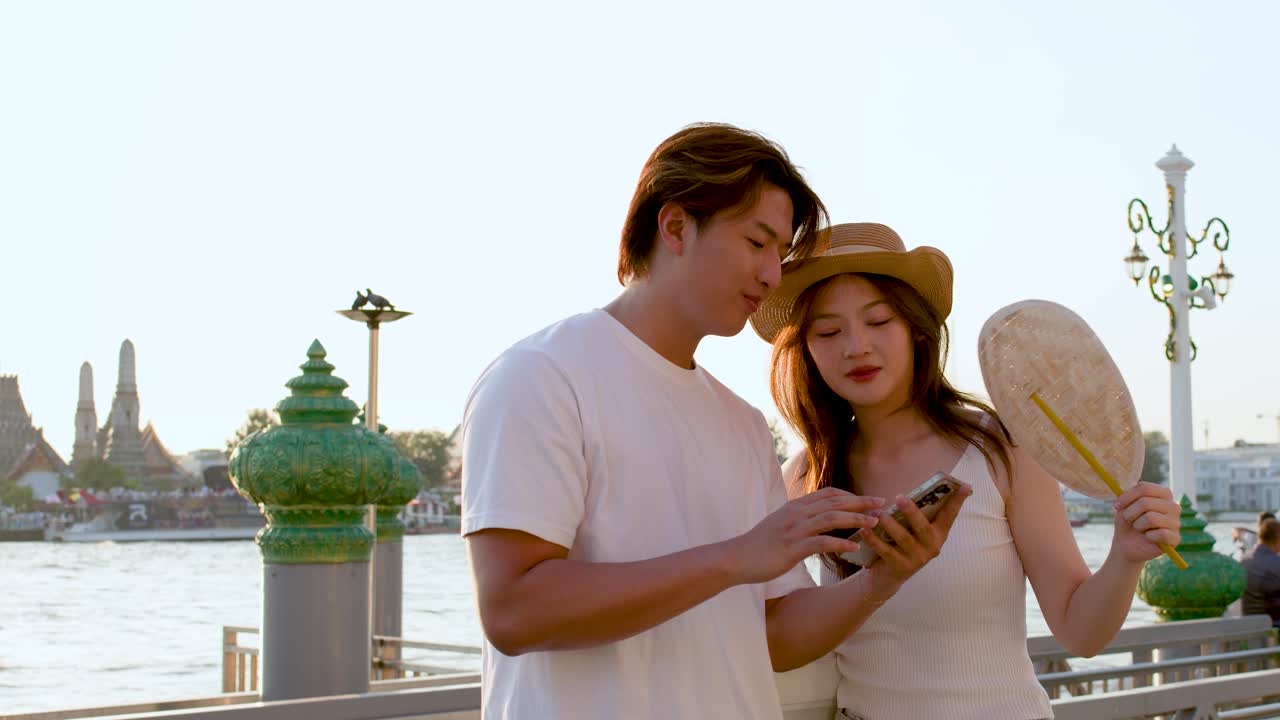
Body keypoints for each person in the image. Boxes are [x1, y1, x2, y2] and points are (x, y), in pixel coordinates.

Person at [461, 124, 905, 720]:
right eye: (757, 241)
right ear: (675, 227)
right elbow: (514, 611)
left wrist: (882, 579)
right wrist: (735, 557)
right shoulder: (541, 376)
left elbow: (774, 635)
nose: (773, 274)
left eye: (779, 252)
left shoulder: (744, 424)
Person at [751, 222, 1184, 720]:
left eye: (878, 321)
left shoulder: (999, 448)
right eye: (828, 331)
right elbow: (778, 637)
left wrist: (1125, 557)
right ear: (806, 349)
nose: (856, 346)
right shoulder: (803, 477)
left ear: (916, 328)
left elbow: (1080, 632)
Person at [1242, 517, 1280, 626]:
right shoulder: (1276, 563)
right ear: (1278, 537)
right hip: (1273, 626)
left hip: (1250, 624)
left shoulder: (1244, 561)